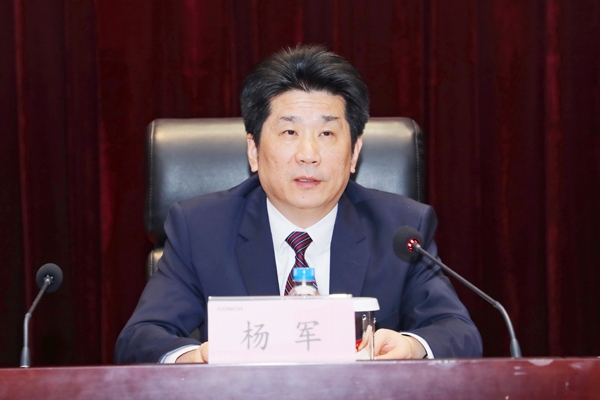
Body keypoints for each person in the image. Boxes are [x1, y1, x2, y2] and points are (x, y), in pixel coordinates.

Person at [115, 45, 482, 364]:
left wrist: (410, 346)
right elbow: (140, 339)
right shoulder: (200, 228)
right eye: (290, 132)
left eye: (327, 133)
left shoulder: (399, 229)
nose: (309, 154)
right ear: (254, 150)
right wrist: (200, 357)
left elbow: (458, 332)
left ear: (354, 152)